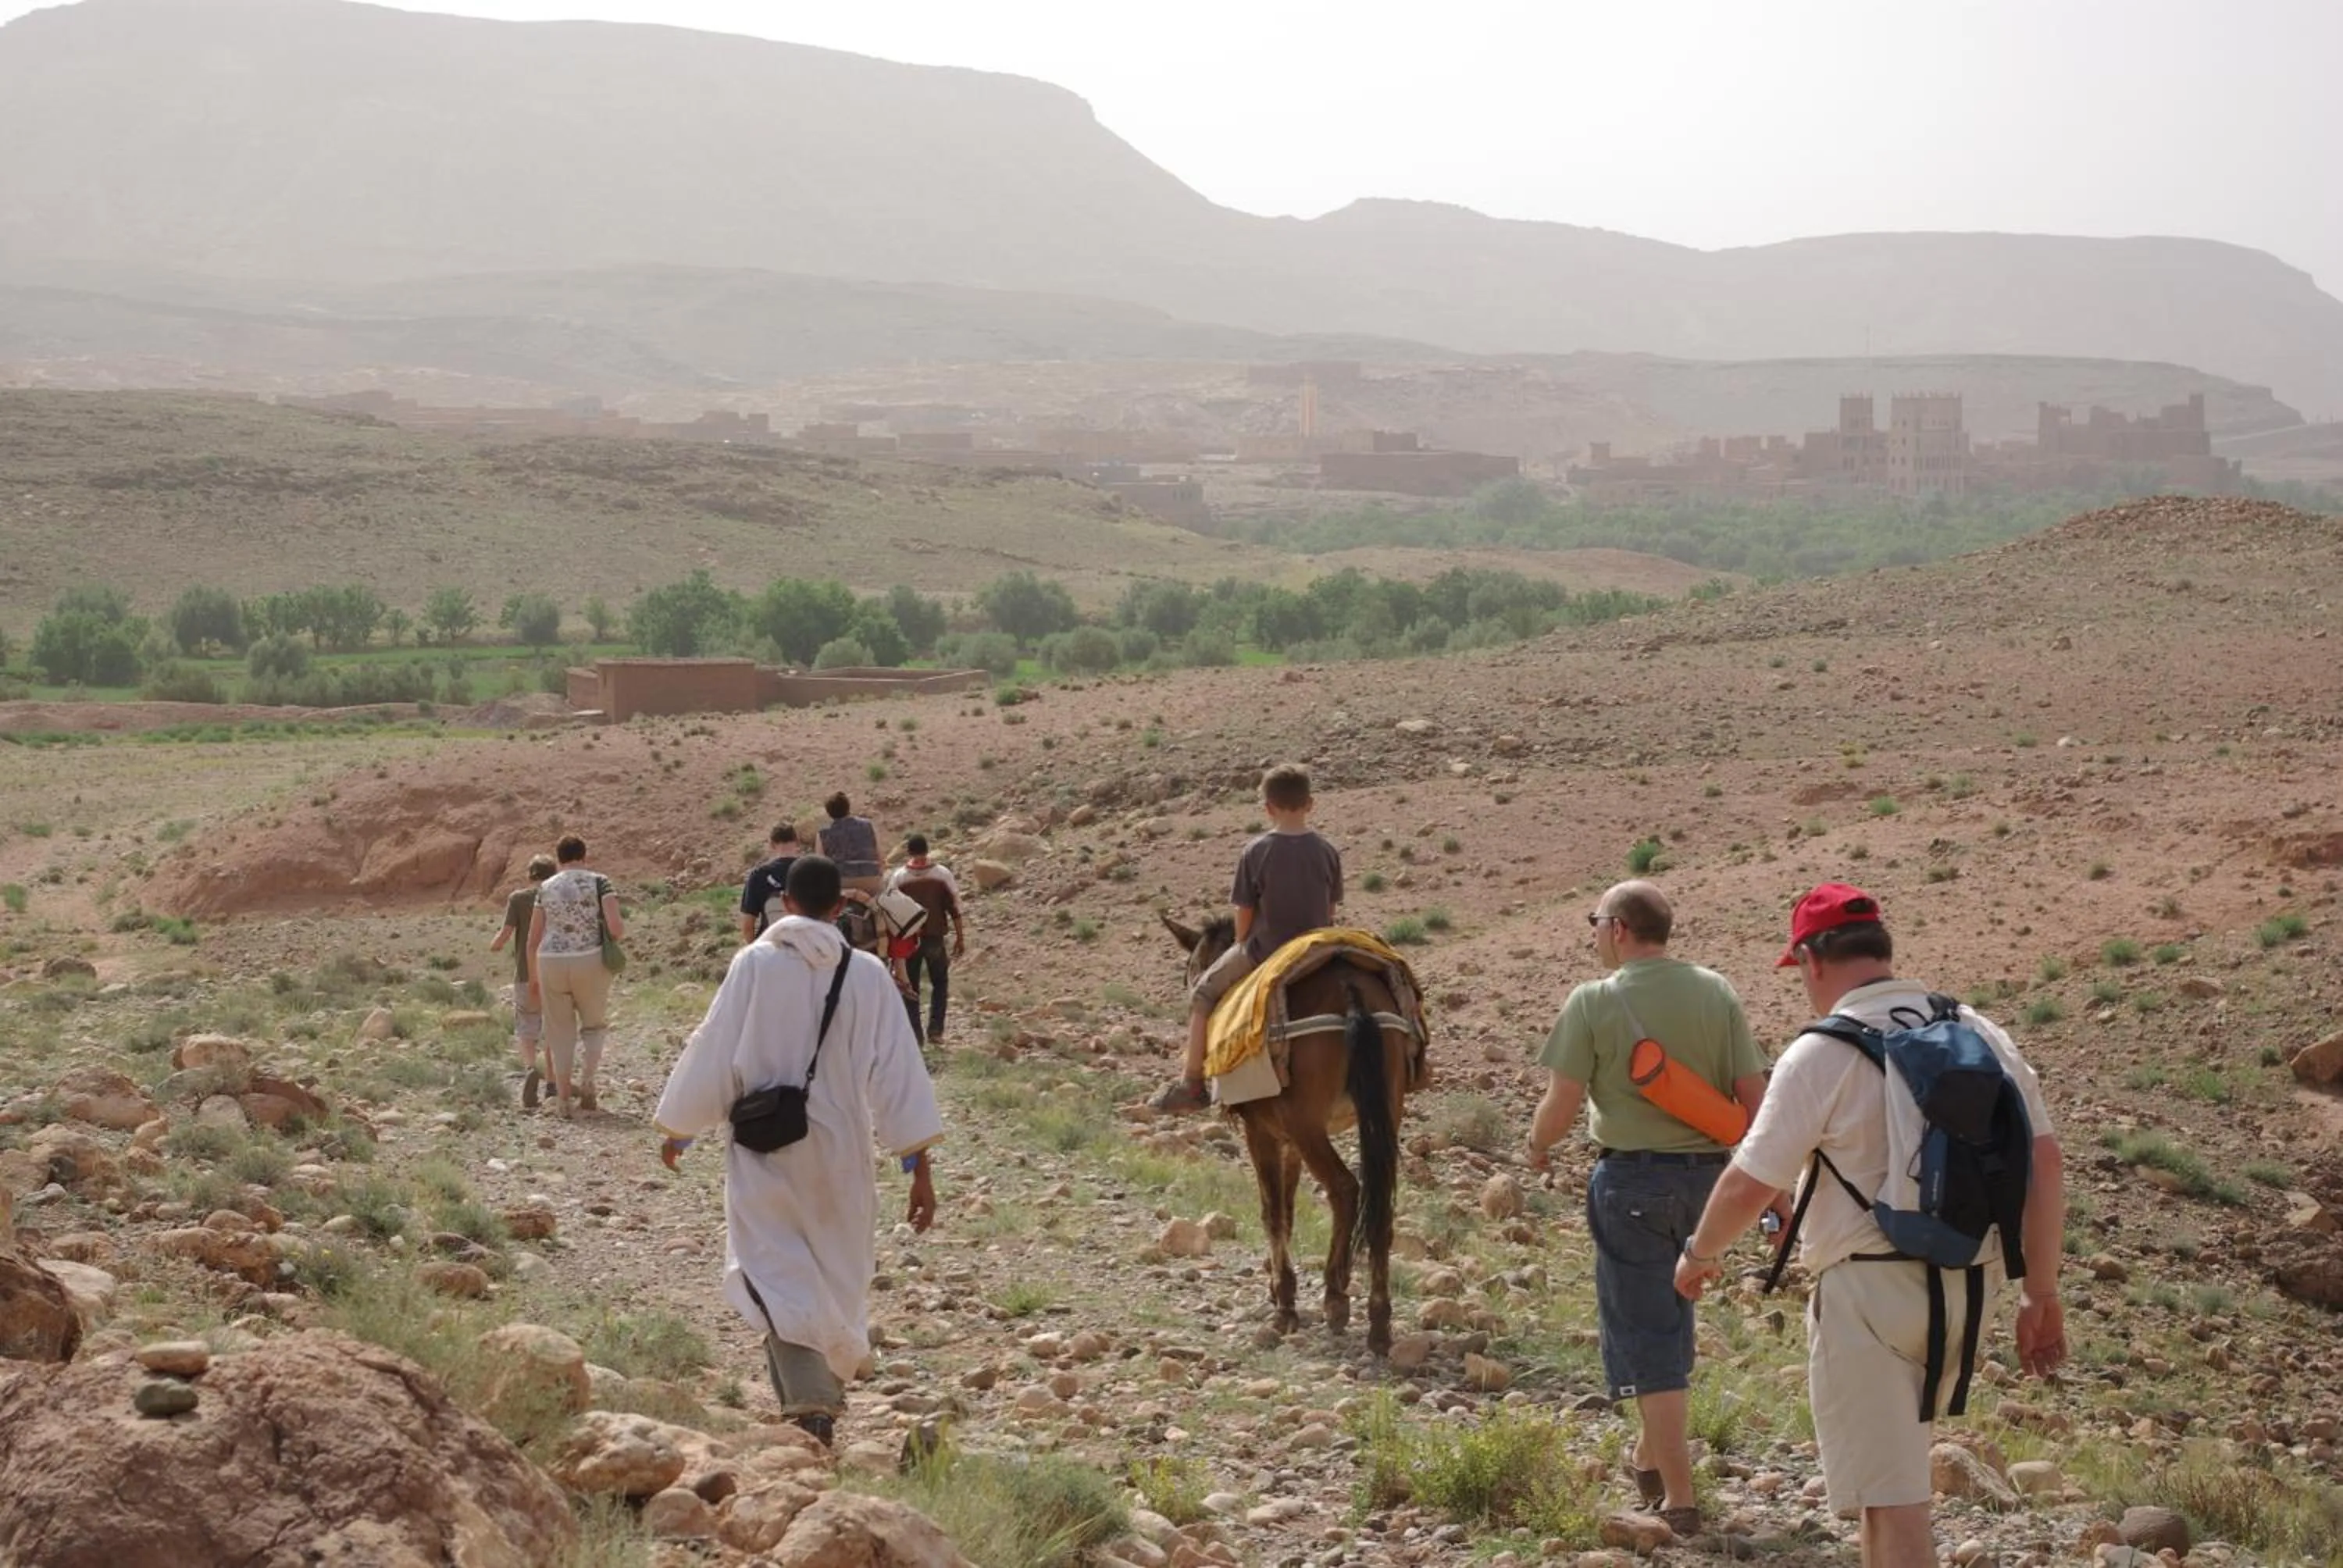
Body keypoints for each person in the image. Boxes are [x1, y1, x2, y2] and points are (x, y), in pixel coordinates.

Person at [1674, 884, 2066, 1568]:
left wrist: (1699, 1254)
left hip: (1869, 1294)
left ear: (1810, 960)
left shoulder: (1822, 1050)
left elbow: (1748, 1181)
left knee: (1899, 1504)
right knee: (1888, 1495)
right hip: (1972, 1285)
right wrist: (2042, 1292)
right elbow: (2044, 1160)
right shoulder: (1976, 1029)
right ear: (1882, 951)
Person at [654, 854, 942, 1449]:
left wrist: (681, 1125)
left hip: (767, 1145)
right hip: (842, 1151)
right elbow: (899, 1075)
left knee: (772, 1266)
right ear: (840, 908)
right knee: (835, 1271)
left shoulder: (753, 963)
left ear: (785, 904)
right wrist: (918, 1164)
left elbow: (715, 1046)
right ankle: (818, 1400)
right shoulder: (867, 974)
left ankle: (811, 1405)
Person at [1523, 879, 1771, 1541]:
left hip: (1630, 1183)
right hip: (1712, 1189)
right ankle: (1647, 1458)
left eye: (1596, 922)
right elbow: (1756, 1099)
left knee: (1648, 1336)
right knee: (1671, 1320)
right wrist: (1774, 1194)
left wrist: (1538, 1145)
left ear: (1621, 929)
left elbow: (1562, 1104)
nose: (1593, 934)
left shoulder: (1594, 1001)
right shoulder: (1716, 990)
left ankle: (1681, 1502)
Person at [1153, 763, 1343, 1114]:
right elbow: (1329, 912)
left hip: (1267, 949)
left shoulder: (1255, 851)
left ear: (1267, 807)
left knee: (1204, 992)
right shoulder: (1328, 850)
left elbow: (1244, 913)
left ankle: (1192, 1083)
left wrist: (1242, 941)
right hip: (1318, 949)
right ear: (1310, 804)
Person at [526, 835, 625, 1117]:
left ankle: (563, 1099)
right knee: (593, 1026)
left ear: (558, 859)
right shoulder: (600, 882)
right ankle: (589, 1083)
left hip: (550, 961)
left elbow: (533, 940)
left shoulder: (544, 887)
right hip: (589, 960)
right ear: (584, 855)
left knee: (560, 1032)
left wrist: (534, 978)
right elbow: (616, 929)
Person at [489, 853, 558, 1110]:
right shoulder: (557, 897)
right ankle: (552, 1085)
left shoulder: (518, 899)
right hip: (555, 973)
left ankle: (531, 1069)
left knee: (526, 1025)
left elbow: (505, 935)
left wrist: (494, 945)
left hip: (526, 974)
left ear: (530, 875)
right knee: (553, 1028)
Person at [887, 834, 967, 1042]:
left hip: (909, 941)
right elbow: (955, 908)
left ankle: (915, 1036)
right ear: (927, 850)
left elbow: (892, 912)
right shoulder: (942, 874)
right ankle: (936, 1031)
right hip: (935, 937)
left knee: (910, 986)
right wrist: (960, 937)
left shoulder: (899, 877)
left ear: (908, 852)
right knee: (940, 982)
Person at [740, 822, 801, 943]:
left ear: (772, 845)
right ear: (797, 841)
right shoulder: (814, 871)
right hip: (805, 947)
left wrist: (754, 953)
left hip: (770, 947)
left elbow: (748, 925)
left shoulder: (758, 875)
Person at [818, 793, 884, 901]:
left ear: (829, 812)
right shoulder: (868, 825)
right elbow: (880, 857)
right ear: (848, 807)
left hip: (841, 881)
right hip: (871, 878)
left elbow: (820, 864)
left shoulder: (823, 832)